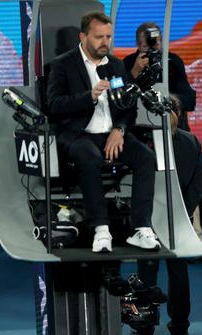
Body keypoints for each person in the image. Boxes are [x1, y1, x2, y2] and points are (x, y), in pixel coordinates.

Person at [47, 12, 161, 253]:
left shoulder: (116, 65)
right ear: (83, 36)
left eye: (108, 37)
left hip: (111, 134)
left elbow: (127, 106)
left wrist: (119, 130)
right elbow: (55, 105)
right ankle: (101, 229)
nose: (105, 43)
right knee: (90, 156)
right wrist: (89, 96)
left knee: (146, 157)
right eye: (99, 37)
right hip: (79, 135)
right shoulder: (62, 65)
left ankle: (141, 228)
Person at [134, 95, 202, 335]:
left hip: (151, 218)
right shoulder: (192, 141)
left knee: (147, 273)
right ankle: (180, 327)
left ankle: (144, 328)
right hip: (178, 217)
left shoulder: (143, 144)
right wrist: (185, 213)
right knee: (177, 272)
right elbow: (197, 186)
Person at [122, 22, 196, 132]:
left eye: (155, 45)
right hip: (138, 128)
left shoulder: (172, 62)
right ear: (138, 45)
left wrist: (172, 100)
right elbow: (120, 95)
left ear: (160, 42)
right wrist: (133, 73)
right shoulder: (128, 62)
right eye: (146, 47)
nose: (152, 51)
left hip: (171, 126)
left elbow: (190, 99)